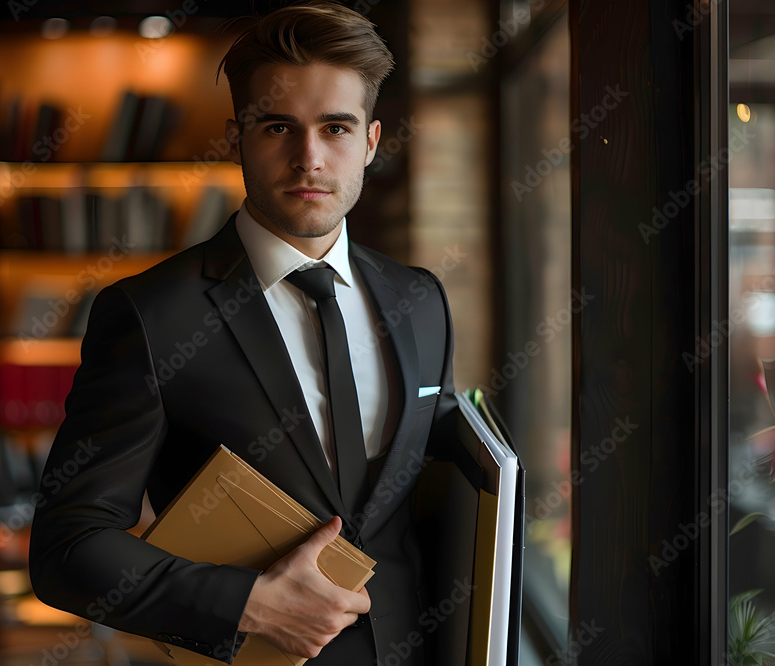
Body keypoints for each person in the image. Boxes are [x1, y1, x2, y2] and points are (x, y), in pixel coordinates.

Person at [29, 3, 467, 665]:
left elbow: (433, 502)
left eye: (336, 128)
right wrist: (248, 604)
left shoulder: (422, 300)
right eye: (277, 127)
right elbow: (68, 548)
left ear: (372, 141)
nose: (308, 158)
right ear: (236, 138)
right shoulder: (151, 314)